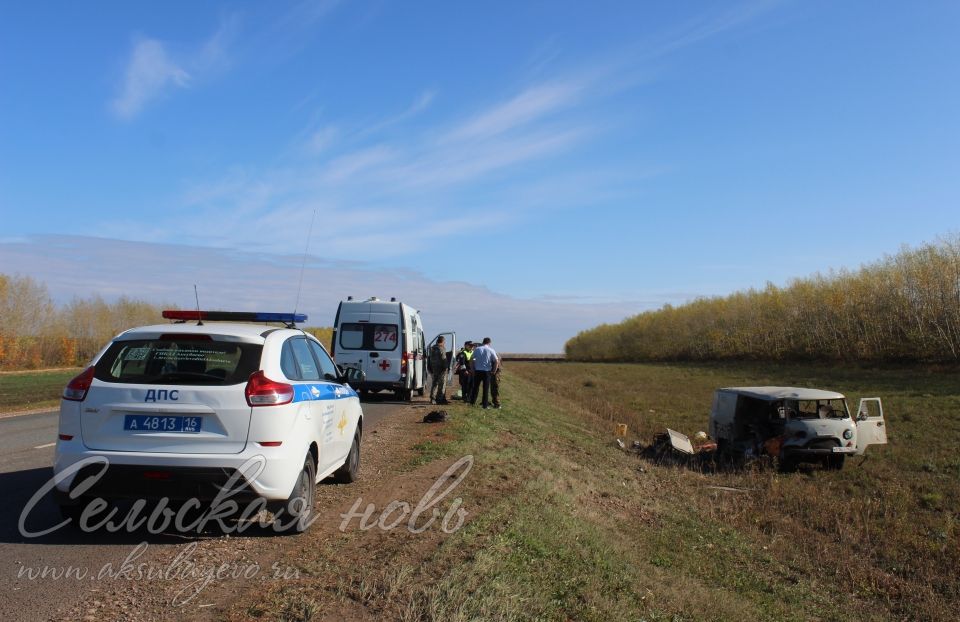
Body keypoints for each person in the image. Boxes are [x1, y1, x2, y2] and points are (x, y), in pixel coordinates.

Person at [469, 337, 499, 409]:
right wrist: (494, 370)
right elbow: (496, 361)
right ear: (489, 343)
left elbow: (471, 359)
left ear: (483, 342)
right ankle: (484, 405)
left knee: (475, 387)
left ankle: (472, 402)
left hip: (478, 371)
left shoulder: (477, 349)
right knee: (485, 389)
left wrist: (472, 369)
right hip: (487, 371)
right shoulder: (491, 350)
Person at [428, 336, 449, 404]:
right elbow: (444, 359)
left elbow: (429, 359)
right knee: (442, 384)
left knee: (434, 383)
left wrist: (430, 368)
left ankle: (432, 398)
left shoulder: (432, 349)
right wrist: (446, 368)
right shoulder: (442, 349)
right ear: (442, 341)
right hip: (441, 369)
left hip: (434, 368)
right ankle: (440, 399)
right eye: (444, 342)